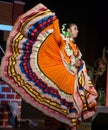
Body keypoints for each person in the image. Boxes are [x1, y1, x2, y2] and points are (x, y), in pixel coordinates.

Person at [0, 3, 98, 130]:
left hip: (72, 79)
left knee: (70, 106)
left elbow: (75, 59)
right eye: (75, 29)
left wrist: (79, 64)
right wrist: (53, 20)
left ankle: (67, 125)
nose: (77, 31)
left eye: (77, 29)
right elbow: (62, 50)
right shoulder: (63, 40)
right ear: (68, 30)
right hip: (64, 77)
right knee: (58, 104)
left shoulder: (75, 46)